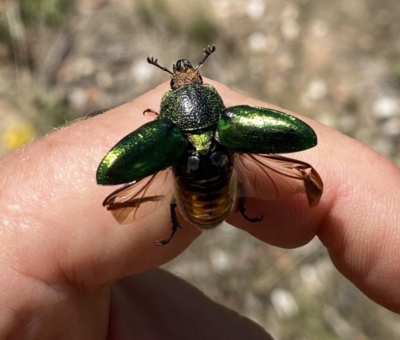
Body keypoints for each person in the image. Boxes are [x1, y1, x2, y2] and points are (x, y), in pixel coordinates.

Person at [0, 80, 399, 339]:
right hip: (221, 198)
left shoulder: (171, 133)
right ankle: (223, 204)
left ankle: (191, 211)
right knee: (237, 166)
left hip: (194, 203)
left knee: (176, 180)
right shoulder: (222, 126)